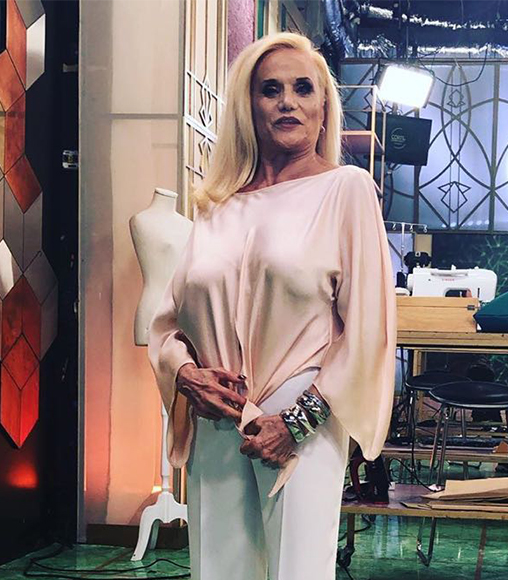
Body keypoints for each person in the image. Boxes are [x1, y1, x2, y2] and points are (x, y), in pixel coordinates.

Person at [147, 32, 397, 580]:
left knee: (297, 570)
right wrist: (186, 376)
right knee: (217, 569)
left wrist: (299, 420)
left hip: (302, 418)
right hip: (217, 416)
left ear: (323, 106)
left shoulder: (346, 190)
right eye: (270, 89)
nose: (288, 102)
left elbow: (368, 331)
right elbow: (167, 324)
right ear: (249, 106)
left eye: (303, 88)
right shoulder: (216, 205)